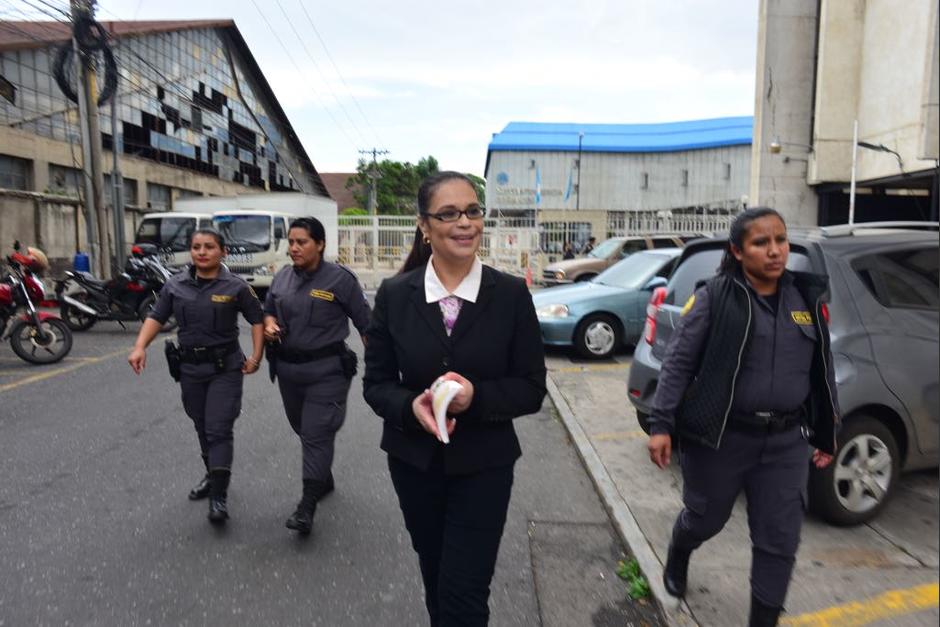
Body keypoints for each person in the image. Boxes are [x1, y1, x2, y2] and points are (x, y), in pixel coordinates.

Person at [363, 171, 547, 626]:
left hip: (484, 466)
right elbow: (377, 384)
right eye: (448, 214)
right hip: (414, 464)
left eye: (472, 211)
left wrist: (476, 398)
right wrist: (411, 407)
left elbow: (531, 387)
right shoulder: (395, 295)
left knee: (464, 595)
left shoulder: (510, 295)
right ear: (424, 226)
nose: (465, 222)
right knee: (437, 576)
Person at [646, 207, 840, 626]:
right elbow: (678, 363)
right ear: (737, 250)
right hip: (723, 439)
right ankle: (680, 549)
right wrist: (661, 425)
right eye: (761, 242)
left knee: (779, 541)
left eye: (781, 240)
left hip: (786, 443)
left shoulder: (806, 298)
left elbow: (822, 367)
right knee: (706, 518)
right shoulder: (715, 297)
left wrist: (828, 430)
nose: (775, 251)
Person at [128, 228, 265, 525]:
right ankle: (212, 474)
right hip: (190, 368)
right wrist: (140, 346)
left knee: (218, 428)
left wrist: (256, 356)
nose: (202, 252)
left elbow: (257, 319)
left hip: (225, 368)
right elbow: (157, 317)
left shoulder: (236, 286)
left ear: (223, 252)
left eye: (209, 247)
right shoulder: (174, 285)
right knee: (202, 425)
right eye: (196, 247)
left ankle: (219, 496)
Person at [263, 216, 370, 535]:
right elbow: (268, 310)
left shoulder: (340, 280)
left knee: (316, 432)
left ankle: (306, 506)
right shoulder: (282, 277)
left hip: (327, 372)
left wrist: (382, 369)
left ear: (320, 244)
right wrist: (269, 324)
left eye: (302, 242)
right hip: (288, 371)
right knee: (302, 427)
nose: (294, 248)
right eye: (291, 242)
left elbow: (366, 325)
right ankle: (322, 477)